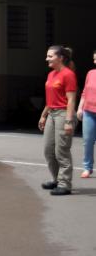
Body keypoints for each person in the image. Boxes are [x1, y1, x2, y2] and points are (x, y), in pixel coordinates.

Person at [39, 45, 78, 196]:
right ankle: (56, 179)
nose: (46, 59)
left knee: (61, 151)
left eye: (50, 56)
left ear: (60, 58)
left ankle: (65, 184)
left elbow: (71, 100)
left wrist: (69, 121)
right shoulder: (51, 75)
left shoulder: (68, 75)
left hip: (63, 114)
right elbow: (50, 100)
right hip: (52, 113)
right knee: (48, 150)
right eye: (47, 56)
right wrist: (43, 115)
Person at [77, 49, 96, 178]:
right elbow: (84, 92)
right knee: (88, 140)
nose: (94, 61)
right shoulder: (90, 73)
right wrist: (79, 108)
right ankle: (87, 167)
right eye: (94, 59)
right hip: (88, 111)